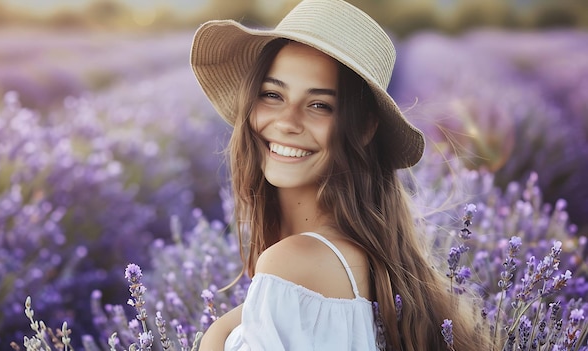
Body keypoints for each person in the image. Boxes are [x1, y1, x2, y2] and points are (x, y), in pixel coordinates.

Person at [190, 0, 492, 350]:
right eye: (272, 95)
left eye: (319, 105)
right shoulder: (370, 264)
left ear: (364, 128)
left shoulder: (294, 264)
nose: (287, 122)